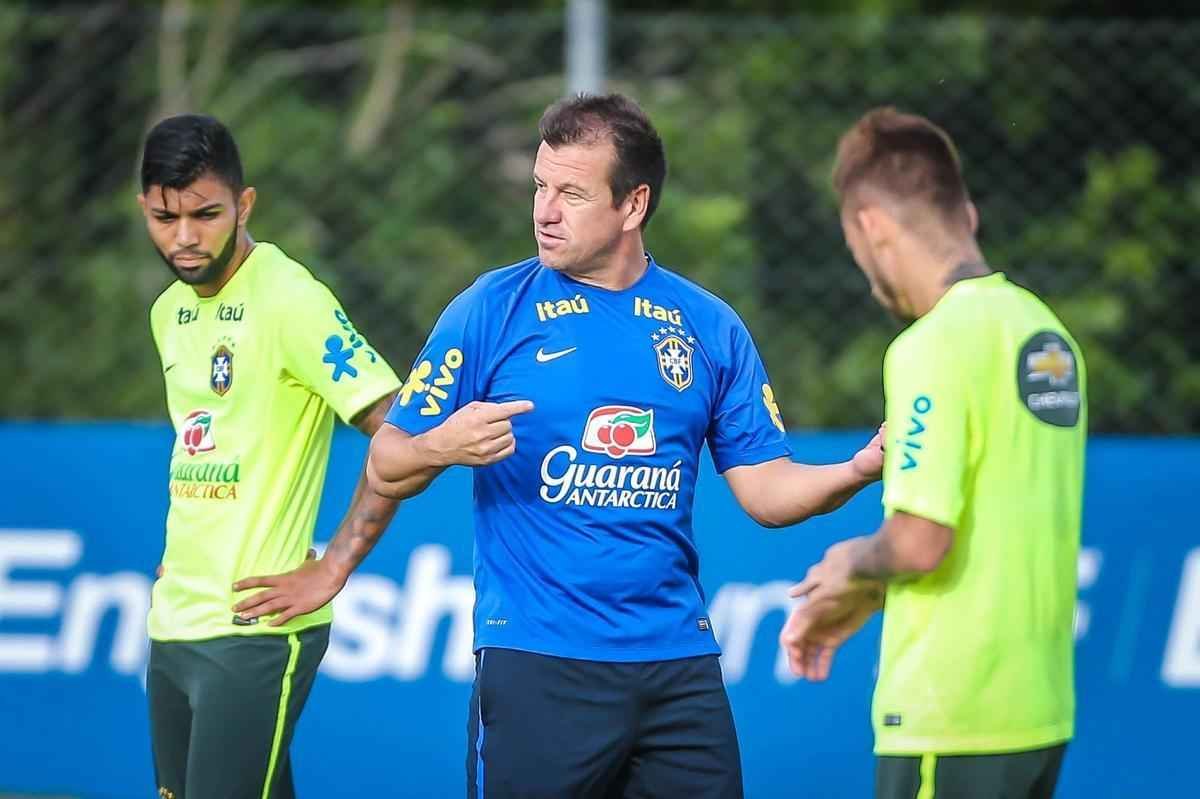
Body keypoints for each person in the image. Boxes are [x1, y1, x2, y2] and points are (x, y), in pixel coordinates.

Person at [365, 92, 883, 799]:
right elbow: (386, 461)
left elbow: (766, 491)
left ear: (633, 204)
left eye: (571, 193)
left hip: (678, 665)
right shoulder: (492, 307)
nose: (544, 210)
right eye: (540, 186)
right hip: (539, 658)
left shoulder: (707, 326)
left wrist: (860, 467)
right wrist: (441, 445)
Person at [779, 107, 1087, 799]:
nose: (866, 275)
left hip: (950, 717)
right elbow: (993, 531)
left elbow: (921, 542)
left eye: (857, 252)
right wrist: (870, 591)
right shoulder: (1047, 335)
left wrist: (846, 563)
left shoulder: (931, 344)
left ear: (872, 227)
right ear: (967, 216)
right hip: (1037, 713)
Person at [140, 113, 408, 799]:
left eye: (206, 214)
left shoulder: (292, 299)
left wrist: (337, 562)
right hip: (174, 619)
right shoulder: (168, 311)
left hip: (256, 629)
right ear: (146, 207)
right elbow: (204, 439)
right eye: (167, 217)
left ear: (244, 204)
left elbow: (400, 431)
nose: (186, 237)